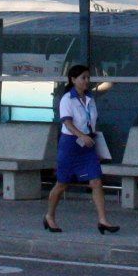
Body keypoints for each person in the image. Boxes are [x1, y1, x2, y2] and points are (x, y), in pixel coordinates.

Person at [43, 62, 117, 235]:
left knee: (96, 181)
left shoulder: (90, 99)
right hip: (70, 145)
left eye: (88, 78)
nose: (86, 81)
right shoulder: (67, 99)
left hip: (88, 145)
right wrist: (80, 135)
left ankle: (103, 220)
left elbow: (91, 121)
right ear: (73, 79)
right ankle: (50, 216)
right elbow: (67, 123)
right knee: (62, 184)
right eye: (83, 78)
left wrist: (91, 138)